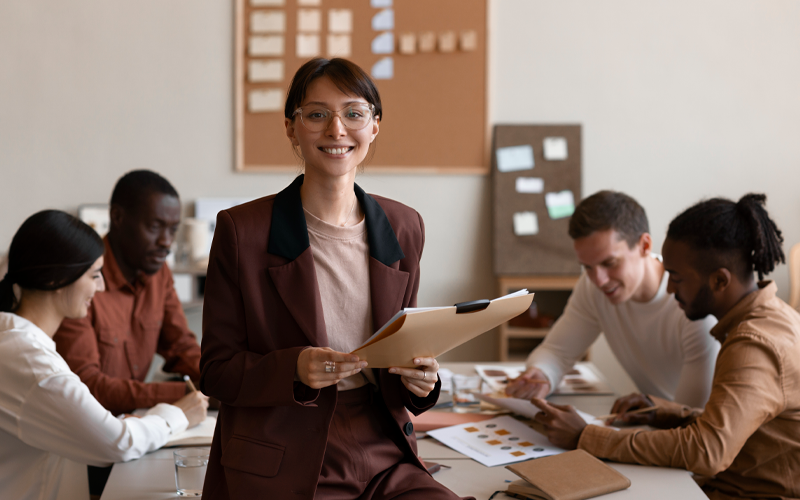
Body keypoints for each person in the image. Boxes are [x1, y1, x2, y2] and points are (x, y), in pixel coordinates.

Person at [199, 58, 469, 500]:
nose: (337, 130)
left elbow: (406, 348)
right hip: (287, 449)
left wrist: (422, 382)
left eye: (354, 113)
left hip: (386, 450)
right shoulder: (241, 231)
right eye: (317, 114)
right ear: (292, 128)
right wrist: (295, 369)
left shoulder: (403, 226)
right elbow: (216, 371)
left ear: (374, 126)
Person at [530, 193, 800, 500]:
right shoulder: (763, 321)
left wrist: (585, 436)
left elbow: (707, 451)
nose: (669, 288)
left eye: (676, 277)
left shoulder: (755, 344)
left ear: (719, 281)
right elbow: (729, 425)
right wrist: (663, 412)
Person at [0, 210, 207, 500]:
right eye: (95, 275)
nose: (102, 286)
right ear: (54, 280)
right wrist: (178, 413)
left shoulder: (18, 344)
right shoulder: (30, 362)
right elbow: (118, 443)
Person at [506, 191, 719, 408]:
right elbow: (557, 352)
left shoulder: (694, 309)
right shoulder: (592, 288)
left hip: (686, 433)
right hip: (653, 422)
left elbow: (689, 418)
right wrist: (541, 375)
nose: (599, 280)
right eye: (587, 267)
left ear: (644, 246)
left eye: (610, 263)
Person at [54, 170, 205, 415]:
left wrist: (222, 381)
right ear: (118, 217)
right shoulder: (81, 280)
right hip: (85, 430)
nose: (166, 241)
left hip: (132, 423)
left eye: (173, 229)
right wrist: (187, 394)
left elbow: (180, 346)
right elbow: (87, 386)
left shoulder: (159, 273)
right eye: (155, 227)